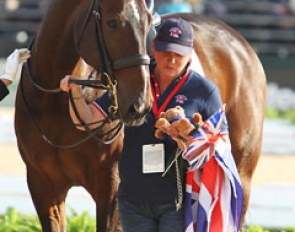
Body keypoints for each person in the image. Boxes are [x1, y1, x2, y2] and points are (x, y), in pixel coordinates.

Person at [60, 18, 223, 232]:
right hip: (132, 201)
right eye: (166, 51)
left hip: (178, 202)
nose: (172, 60)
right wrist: (75, 93)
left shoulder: (205, 91)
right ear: (154, 47)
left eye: (179, 54)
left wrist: (189, 140)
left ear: (190, 52)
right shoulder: (132, 81)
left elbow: (222, 146)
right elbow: (87, 121)